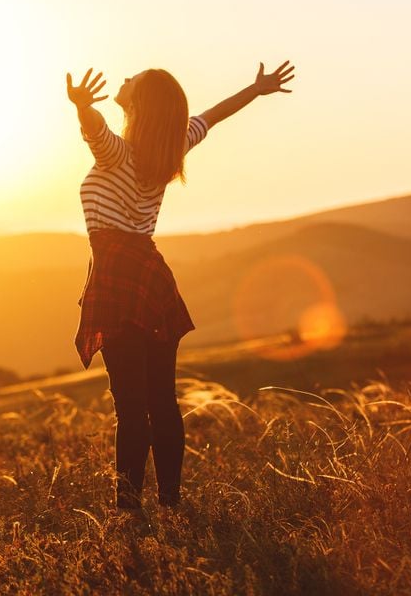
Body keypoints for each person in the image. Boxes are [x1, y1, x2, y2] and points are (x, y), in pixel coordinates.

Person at [67, 61, 296, 512]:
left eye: (132, 80)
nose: (124, 79)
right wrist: (255, 89)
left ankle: (128, 513)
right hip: (152, 279)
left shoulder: (118, 154)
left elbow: (96, 131)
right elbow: (214, 115)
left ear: (139, 102)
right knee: (162, 402)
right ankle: (171, 504)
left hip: (117, 278)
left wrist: (82, 109)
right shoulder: (171, 146)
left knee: (131, 410)